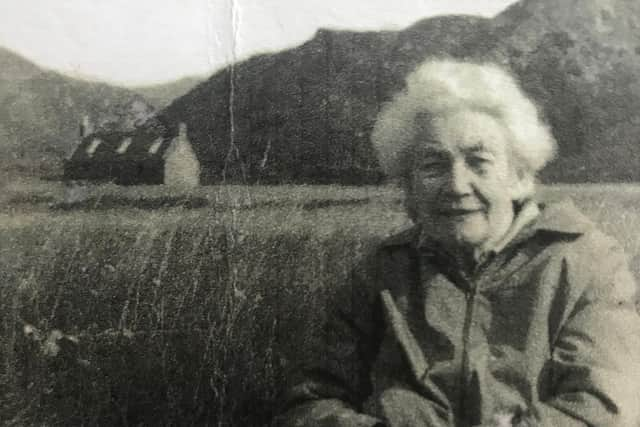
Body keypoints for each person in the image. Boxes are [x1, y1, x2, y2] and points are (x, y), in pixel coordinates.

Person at [274, 59, 640, 427]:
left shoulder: (586, 263)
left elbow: (604, 409)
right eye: (433, 165)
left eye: (478, 162)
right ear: (409, 187)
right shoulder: (383, 272)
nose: (456, 185)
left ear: (518, 176)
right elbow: (307, 403)